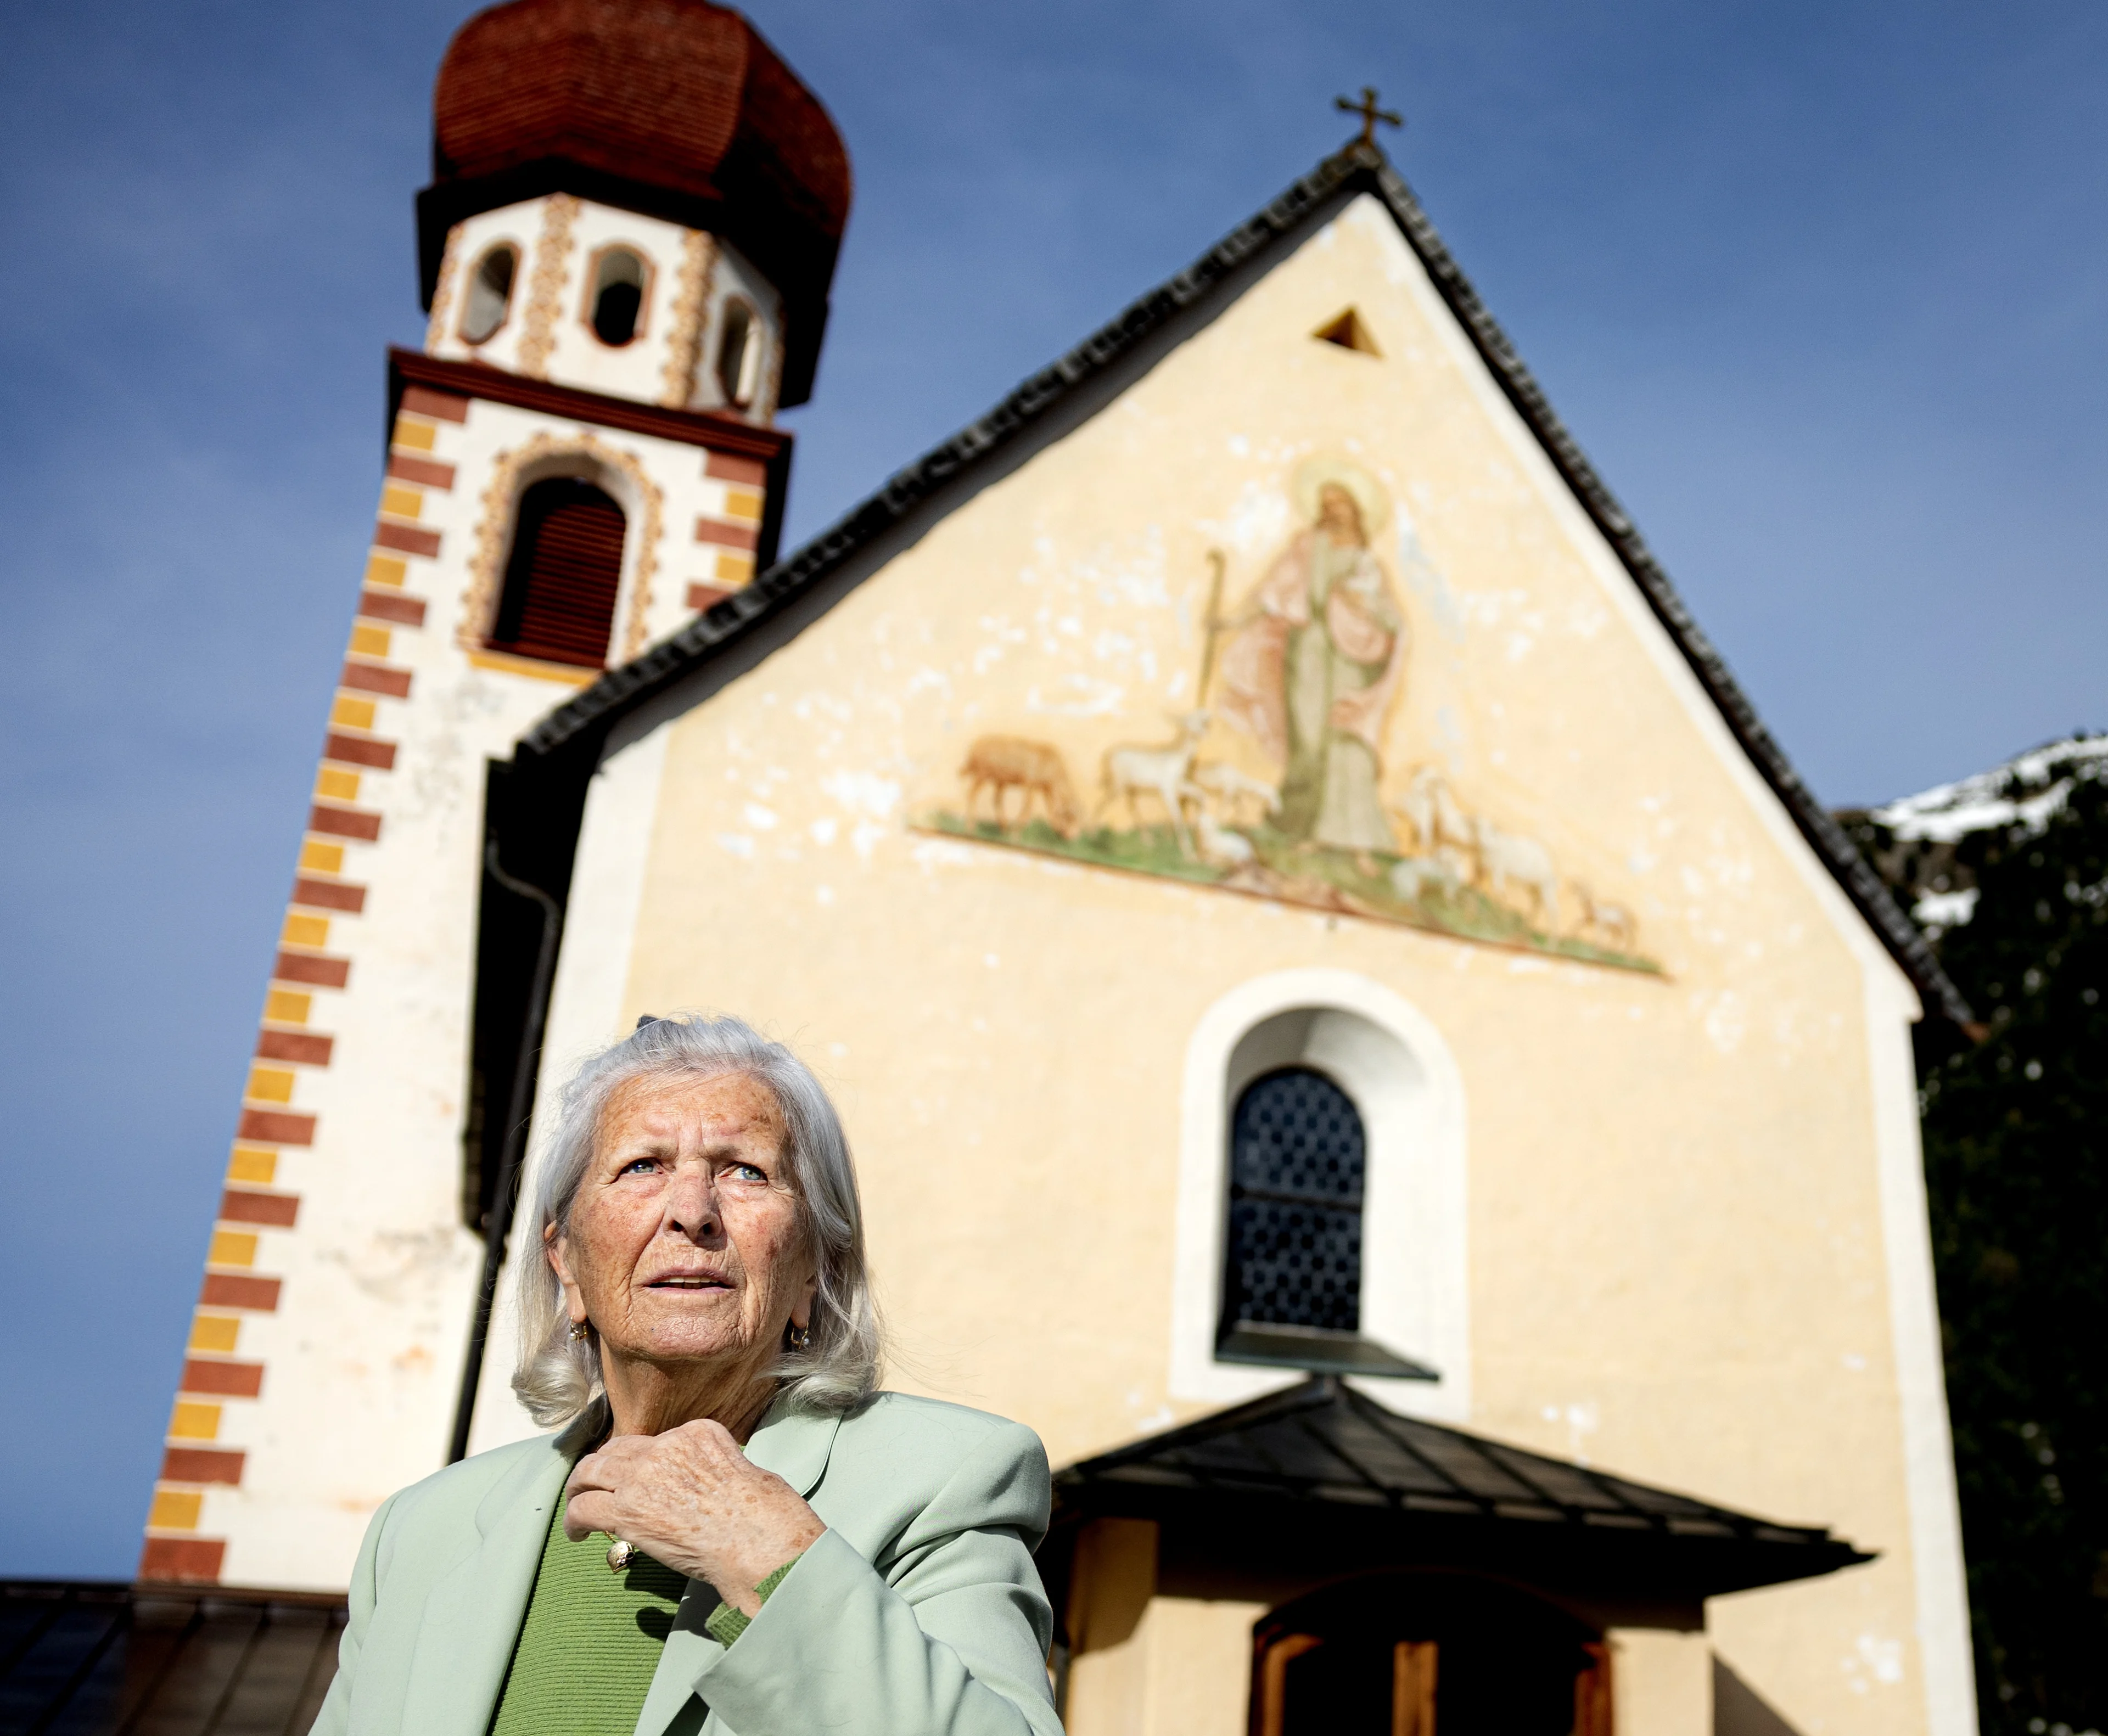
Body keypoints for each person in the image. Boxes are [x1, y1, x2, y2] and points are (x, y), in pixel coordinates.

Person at [312, 1014, 1062, 1736]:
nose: (693, 1211)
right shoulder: (417, 1533)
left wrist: (766, 1549)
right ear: (566, 1261)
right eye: (642, 1165)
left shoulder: (945, 1479)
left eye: (745, 1171)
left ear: (811, 1271)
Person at [1216, 466, 1409, 852]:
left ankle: (1347, 835)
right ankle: (1296, 822)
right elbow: (1272, 590)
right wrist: (1231, 621)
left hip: (1349, 664)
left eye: (1340, 504)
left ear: (1357, 511)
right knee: (1306, 738)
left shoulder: (1367, 563)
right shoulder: (1307, 547)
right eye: (1325, 504)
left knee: (1344, 740)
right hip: (1307, 654)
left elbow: (1392, 622)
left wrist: (1362, 605)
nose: (1332, 511)